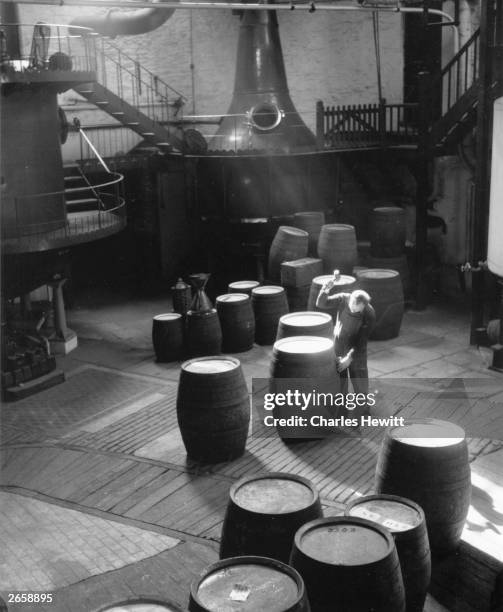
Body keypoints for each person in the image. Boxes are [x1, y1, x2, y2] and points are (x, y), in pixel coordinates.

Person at [316, 271, 376, 416]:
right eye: (354, 309)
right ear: (351, 301)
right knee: (339, 379)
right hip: (339, 344)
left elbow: (362, 340)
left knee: (359, 378)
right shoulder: (343, 298)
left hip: (356, 349)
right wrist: (326, 288)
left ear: (365, 305)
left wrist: (350, 357)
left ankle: (364, 408)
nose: (356, 312)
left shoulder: (369, 313)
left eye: (359, 310)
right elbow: (320, 303)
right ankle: (341, 409)